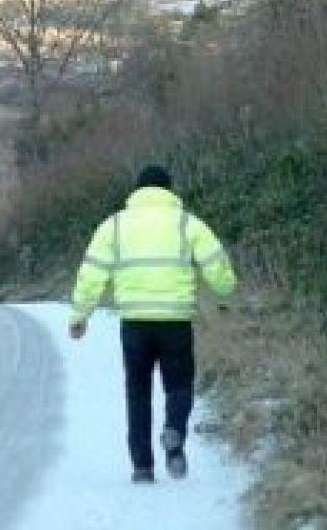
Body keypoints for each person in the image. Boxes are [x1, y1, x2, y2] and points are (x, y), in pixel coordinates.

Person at [69, 164, 237, 484]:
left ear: (137, 191)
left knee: (138, 393)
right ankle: (174, 431)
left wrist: (80, 315)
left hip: (134, 324)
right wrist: (225, 293)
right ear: (169, 190)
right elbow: (217, 265)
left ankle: (143, 468)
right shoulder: (188, 223)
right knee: (179, 385)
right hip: (175, 321)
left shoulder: (115, 225)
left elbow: (91, 273)